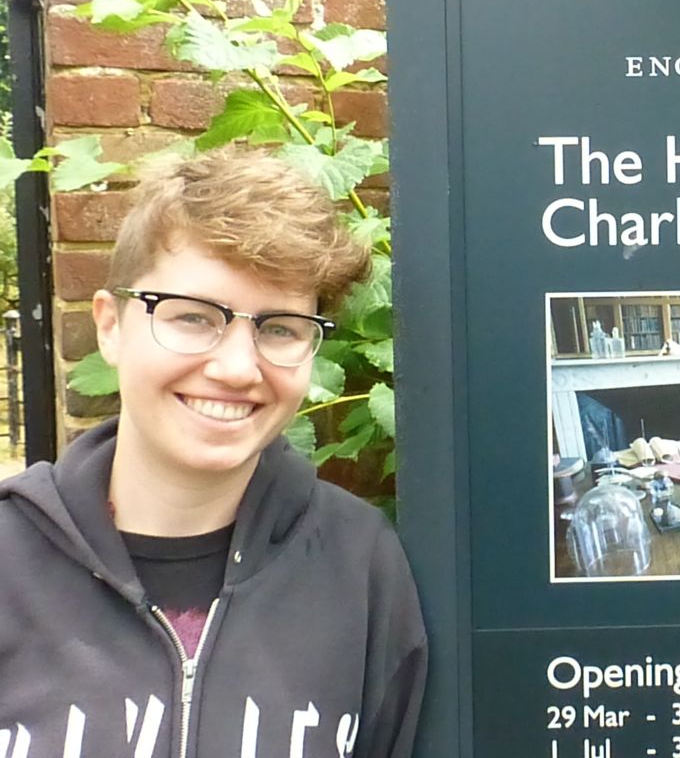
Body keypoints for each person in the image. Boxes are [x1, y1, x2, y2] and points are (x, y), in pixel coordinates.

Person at [0, 150, 427, 757]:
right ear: (110, 326)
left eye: (280, 328)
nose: (237, 368)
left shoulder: (361, 566)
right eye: (194, 318)